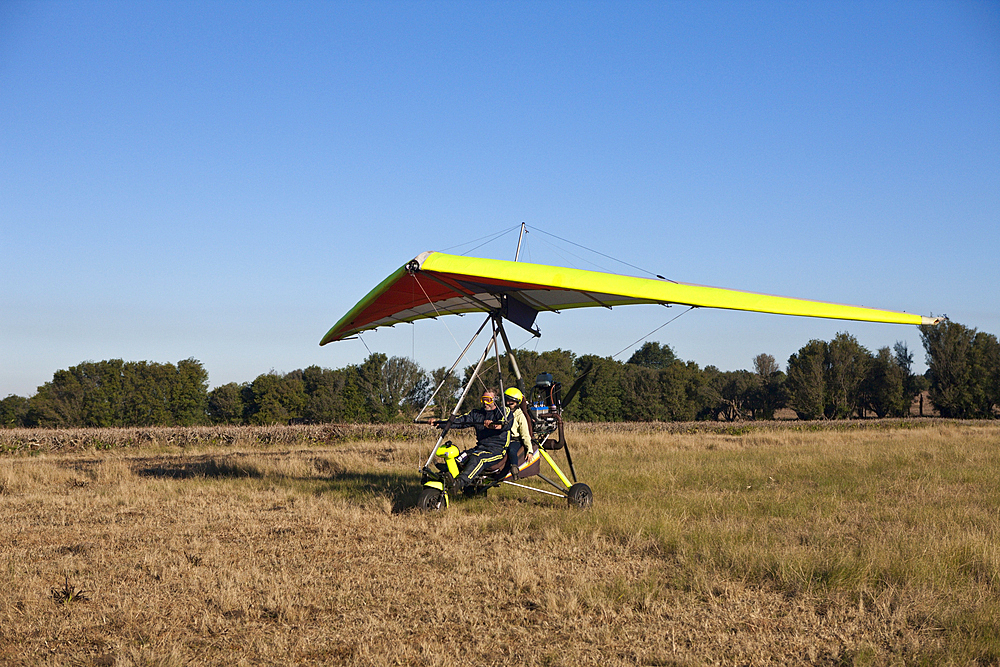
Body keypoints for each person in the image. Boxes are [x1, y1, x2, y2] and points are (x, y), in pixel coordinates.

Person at [434, 389, 513, 491]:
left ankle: (459, 483)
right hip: (480, 448)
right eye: (483, 399)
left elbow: (506, 424)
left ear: (495, 400)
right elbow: (459, 421)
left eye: (488, 400)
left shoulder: (503, 411)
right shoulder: (476, 414)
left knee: (478, 459)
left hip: (496, 450)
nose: (485, 402)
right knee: (460, 458)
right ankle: (445, 474)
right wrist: (439, 423)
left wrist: (494, 425)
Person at [503, 387, 535, 480]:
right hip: (502, 439)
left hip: (514, 440)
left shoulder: (519, 415)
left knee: (512, 451)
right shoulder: (501, 412)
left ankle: (514, 469)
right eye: (507, 401)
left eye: (511, 403)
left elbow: (525, 434)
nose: (508, 404)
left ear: (517, 403)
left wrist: (529, 450)